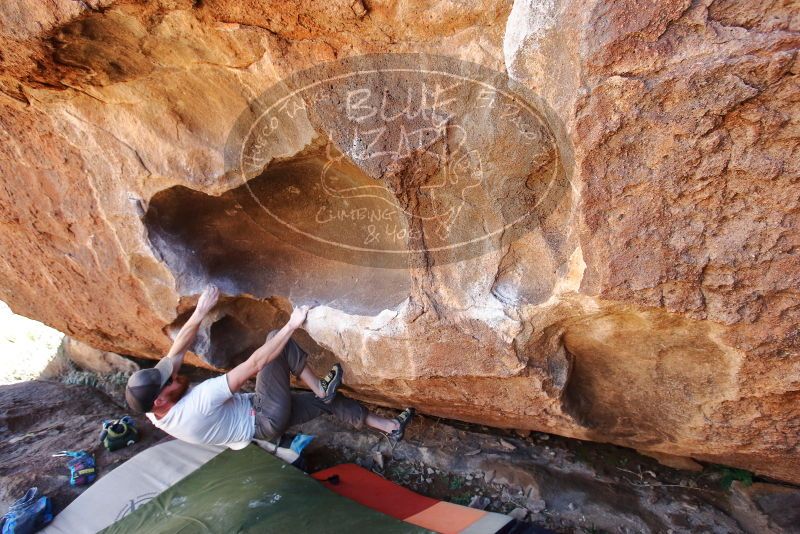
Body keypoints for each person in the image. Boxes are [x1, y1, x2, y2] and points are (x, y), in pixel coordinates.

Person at [124, 284, 413, 450]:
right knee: (277, 340)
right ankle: (321, 389)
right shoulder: (197, 405)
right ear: (161, 398)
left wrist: (200, 310)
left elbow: (177, 350)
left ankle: (389, 427)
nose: (174, 373)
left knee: (323, 405)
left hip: (261, 425)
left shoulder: (154, 406)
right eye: (170, 380)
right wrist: (292, 324)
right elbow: (255, 363)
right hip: (263, 416)